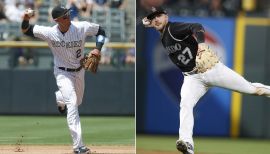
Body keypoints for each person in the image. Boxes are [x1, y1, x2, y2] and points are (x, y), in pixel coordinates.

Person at [142, 7, 270, 154]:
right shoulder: (162, 31)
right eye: (153, 17)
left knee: (252, 89)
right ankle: (187, 143)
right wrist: (149, 21)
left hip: (212, 71)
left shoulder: (173, 28)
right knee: (186, 104)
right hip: (192, 78)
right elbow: (149, 22)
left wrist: (201, 44)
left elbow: (196, 27)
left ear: (166, 16)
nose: (156, 19)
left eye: (159, 15)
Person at [21, 5, 106, 154]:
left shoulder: (81, 27)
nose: (69, 17)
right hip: (62, 73)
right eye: (65, 16)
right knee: (72, 104)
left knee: (77, 101)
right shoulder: (49, 32)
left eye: (69, 14)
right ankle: (78, 146)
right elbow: (26, 30)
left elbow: (102, 31)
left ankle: (60, 97)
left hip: (79, 71)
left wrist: (98, 48)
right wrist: (26, 18)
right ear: (57, 20)